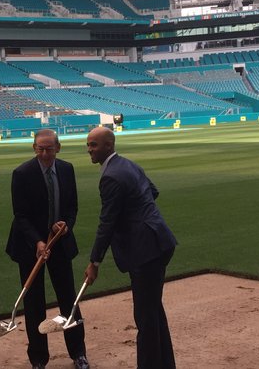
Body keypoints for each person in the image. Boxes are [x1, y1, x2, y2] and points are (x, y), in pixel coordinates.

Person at [83, 126, 177, 369]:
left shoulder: (111, 176)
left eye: (94, 145)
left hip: (145, 250)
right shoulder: (129, 164)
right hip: (159, 241)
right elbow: (152, 192)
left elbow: (107, 222)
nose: (89, 150)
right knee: (153, 310)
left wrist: (94, 262)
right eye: (88, 144)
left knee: (145, 318)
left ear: (109, 146)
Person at [7, 129, 89, 369]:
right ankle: (39, 359)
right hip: (30, 247)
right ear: (34, 148)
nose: (44, 153)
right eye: (39, 148)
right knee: (34, 304)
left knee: (69, 300)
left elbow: (72, 207)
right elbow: (20, 215)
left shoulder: (66, 169)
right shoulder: (22, 173)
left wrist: (65, 226)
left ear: (58, 148)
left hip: (60, 245)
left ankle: (78, 353)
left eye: (48, 148)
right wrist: (38, 241)